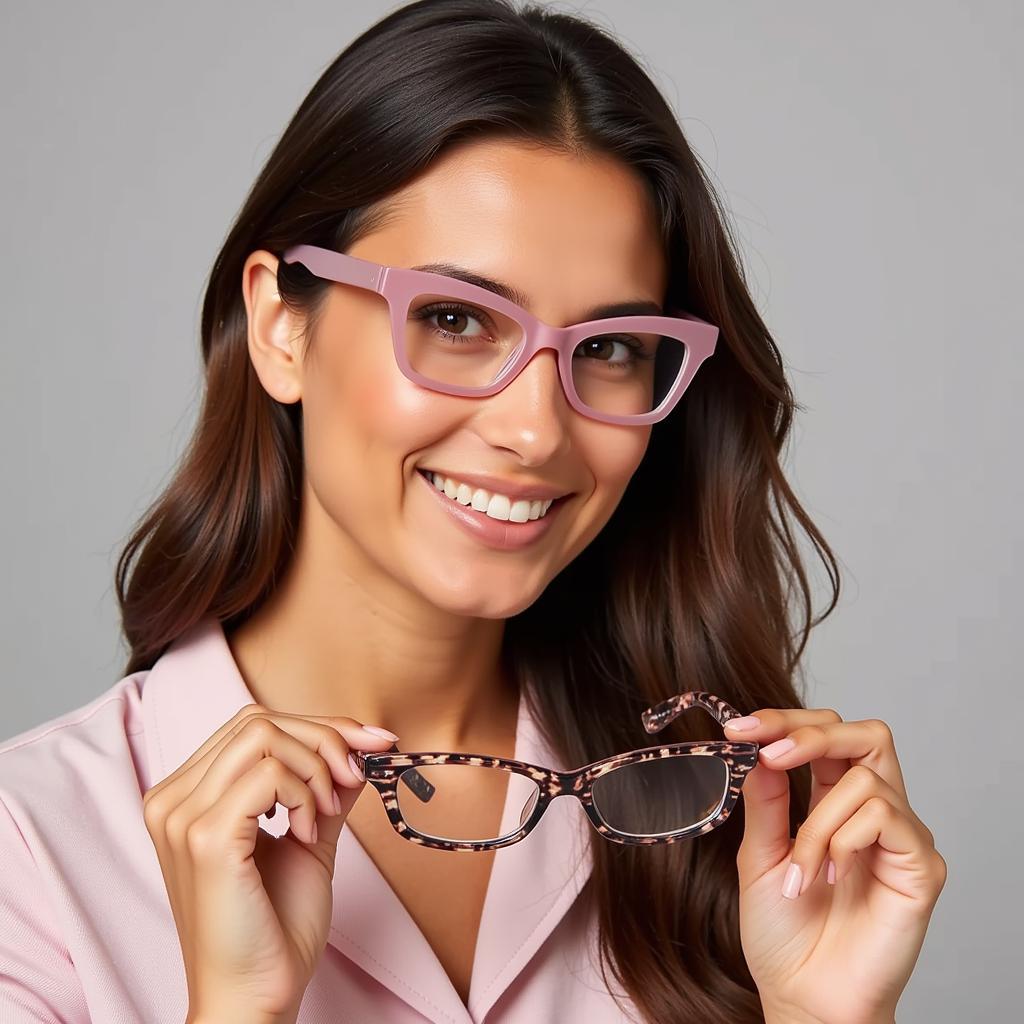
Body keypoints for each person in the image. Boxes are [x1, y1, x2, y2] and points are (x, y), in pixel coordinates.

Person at [0, 1, 947, 1022]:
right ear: (279, 324)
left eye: (611, 347)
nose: (535, 429)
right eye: (453, 320)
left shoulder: (728, 826)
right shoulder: (33, 851)